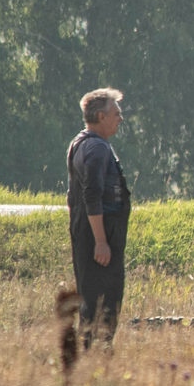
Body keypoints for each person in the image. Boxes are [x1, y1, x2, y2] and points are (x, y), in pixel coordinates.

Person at [67, 87, 131, 349]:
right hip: (100, 233)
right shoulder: (96, 149)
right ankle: (96, 352)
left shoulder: (81, 143)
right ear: (101, 117)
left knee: (93, 296)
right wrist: (101, 241)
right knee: (104, 299)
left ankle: (92, 350)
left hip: (88, 230)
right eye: (116, 113)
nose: (120, 118)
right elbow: (92, 195)